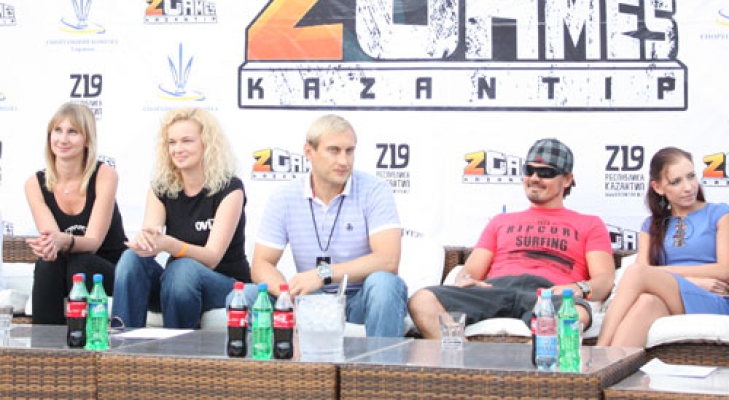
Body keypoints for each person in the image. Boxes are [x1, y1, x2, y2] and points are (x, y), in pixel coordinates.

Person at [409, 138, 615, 338]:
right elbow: (470, 271)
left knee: (576, 314)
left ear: (567, 179)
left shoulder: (590, 224)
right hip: (497, 289)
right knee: (422, 300)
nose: (535, 178)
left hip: (549, 293)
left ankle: (534, 357)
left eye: (546, 173)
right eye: (529, 170)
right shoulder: (500, 221)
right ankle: (466, 357)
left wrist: (578, 289)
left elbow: (604, 280)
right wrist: (465, 280)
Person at [251, 114, 407, 337]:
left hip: (360, 300)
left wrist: (323, 273)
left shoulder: (374, 190)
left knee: (384, 284)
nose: (344, 161)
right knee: (248, 296)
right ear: (309, 152)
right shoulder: (284, 197)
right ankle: (279, 360)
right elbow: (261, 264)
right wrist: (285, 294)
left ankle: (383, 361)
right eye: (334, 150)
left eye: (349, 151)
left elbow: (388, 260)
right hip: (309, 300)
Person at [111, 108, 253, 328]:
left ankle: (177, 347)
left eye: (187, 141)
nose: (178, 149)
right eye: (172, 142)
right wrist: (146, 241)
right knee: (132, 258)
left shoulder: (230, 188)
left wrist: (169, 244)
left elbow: (212, 258)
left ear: (207, 144)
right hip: (176, 286)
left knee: (183, 268)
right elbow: (150, 240)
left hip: (223, 285)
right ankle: (122, 340)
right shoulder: (161, 187)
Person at [598, 147, 729, 347]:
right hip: (674, 297)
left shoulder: (720, 214)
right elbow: (642, 271)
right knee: (646, 303)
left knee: (637, 273)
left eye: (691, 176)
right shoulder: (652, 225)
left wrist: (668, 274)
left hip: (713, 298)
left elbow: (725, 270)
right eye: (676, 182)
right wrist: (692, 281)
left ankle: (598, 349)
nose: (688, 187)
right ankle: (610, 364)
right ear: (658, 187)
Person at [25, 103, 126, 325]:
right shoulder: (35, 183)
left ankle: (80, 339)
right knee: (47, 263)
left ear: (87, 140)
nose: (63, 139)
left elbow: (93, 243)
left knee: (82, 263)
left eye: (72, 132)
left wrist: (64, 241)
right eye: (57, 130)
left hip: (106, 269)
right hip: (65, 270)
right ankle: (45, 342)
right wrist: (49, 245)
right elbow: (52, 242)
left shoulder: (104, 175)